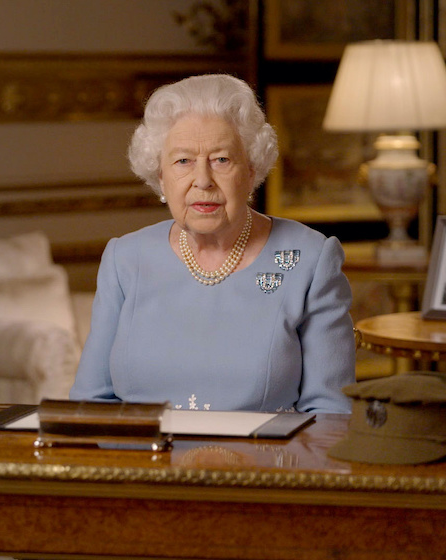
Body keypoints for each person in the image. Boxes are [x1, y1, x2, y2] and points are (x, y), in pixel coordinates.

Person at [69, 74, 355, 414]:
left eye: (221, 159)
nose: (202, 180)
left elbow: (330, 417)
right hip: (142, 463)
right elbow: (89, 406)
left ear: (251, 171)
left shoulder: (309, 259)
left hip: (260, 465)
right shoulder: (125, 259)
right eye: (183, 161)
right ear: (160, 176)